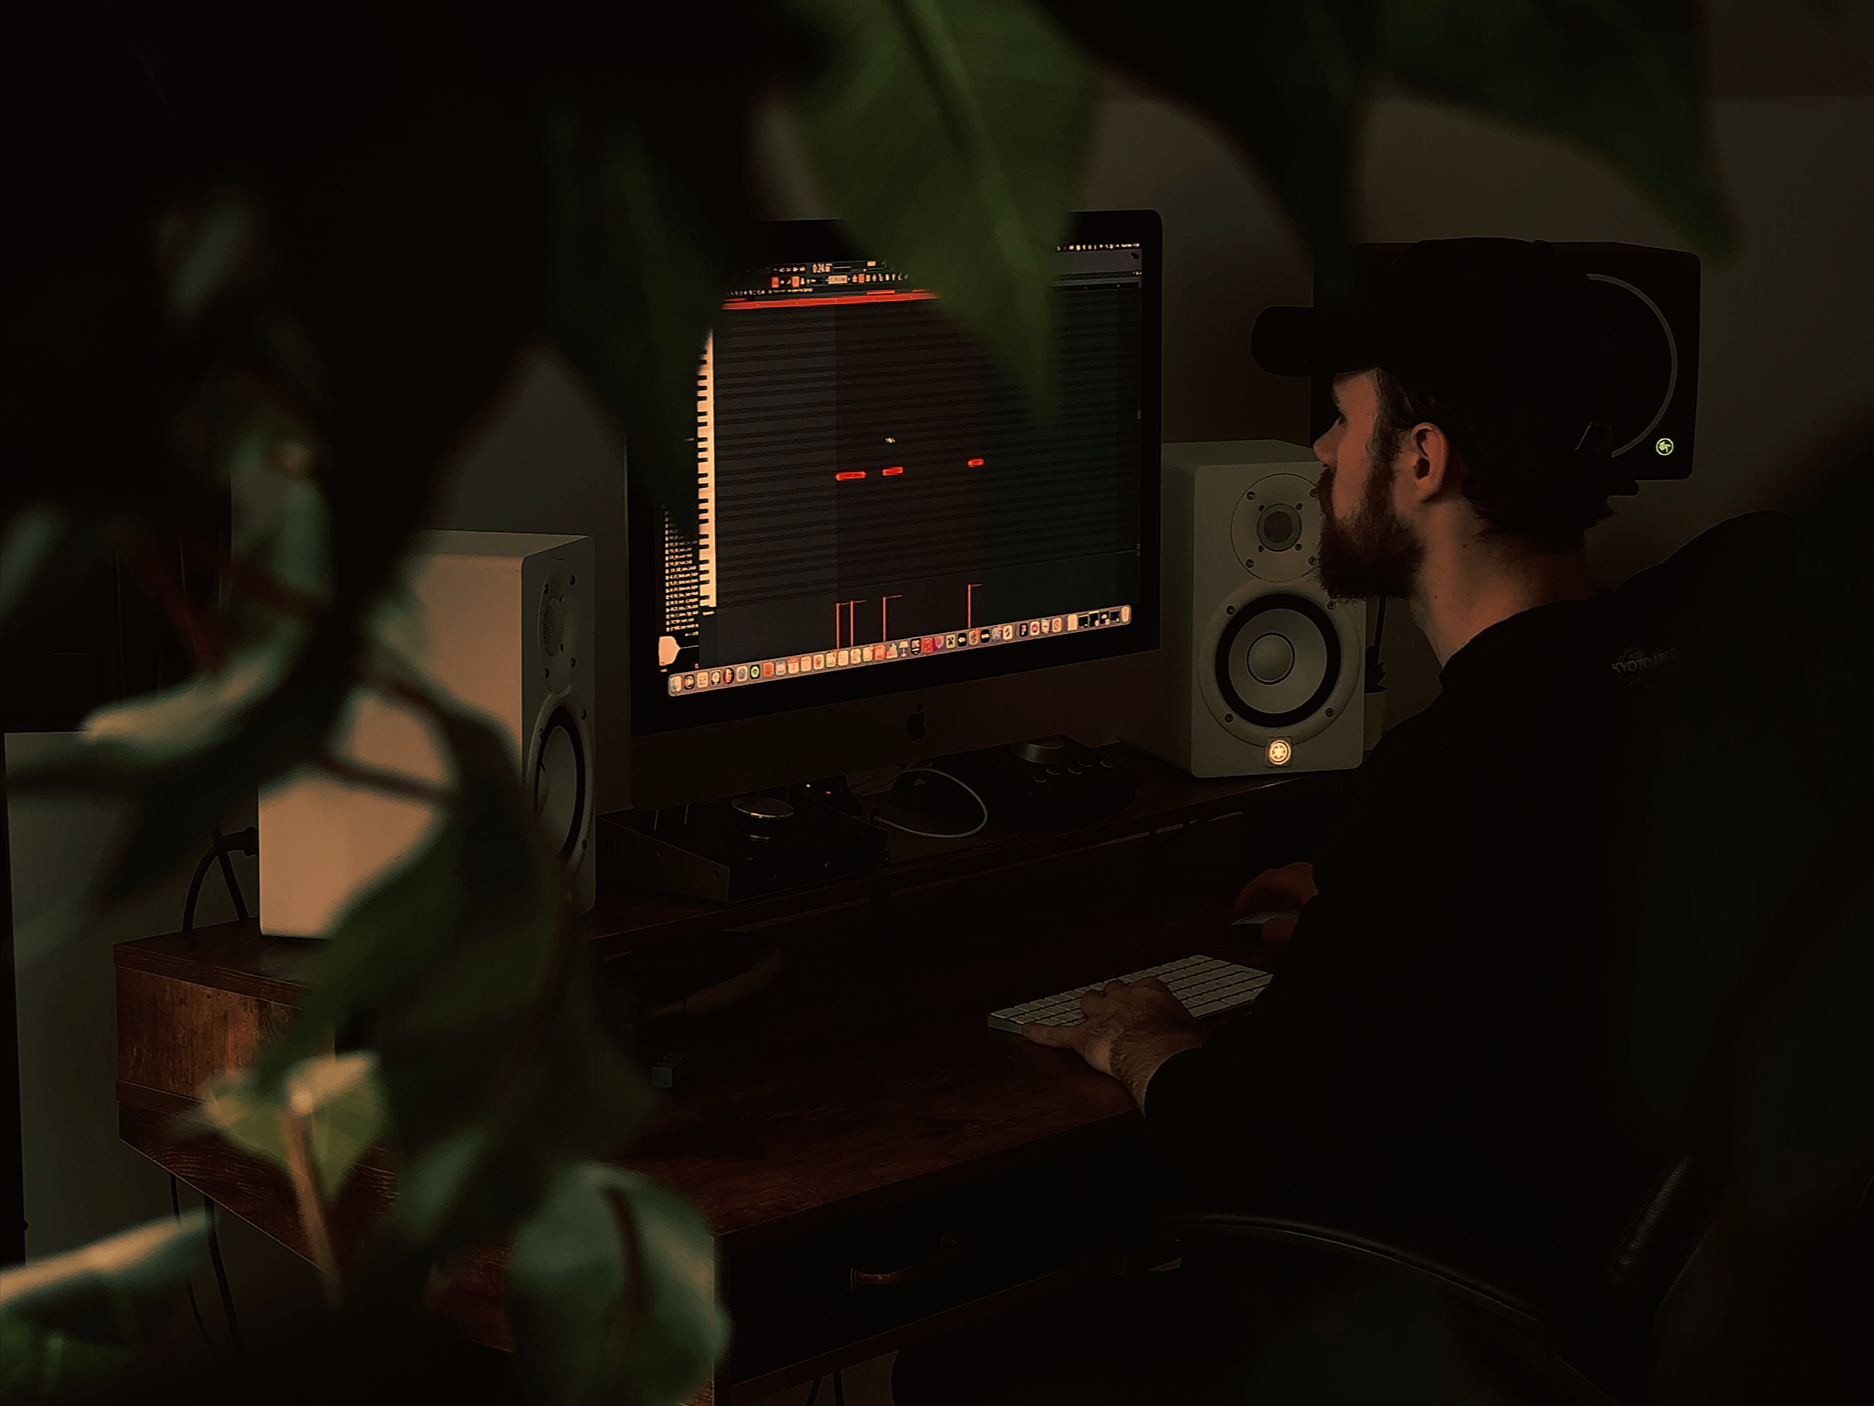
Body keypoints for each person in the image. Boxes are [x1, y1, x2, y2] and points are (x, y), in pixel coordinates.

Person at [893, 239, 1668, 1405]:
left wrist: (1142, 1036)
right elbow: (1526, 935)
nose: (1315, 451)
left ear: (1420, 459)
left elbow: (1256, 1135)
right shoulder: (1663, 682)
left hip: (1458, 1319)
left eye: (1341, 420)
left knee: (964, 1366)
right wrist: (1371, 917)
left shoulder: (1458, 768)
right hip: (1622, 1293)